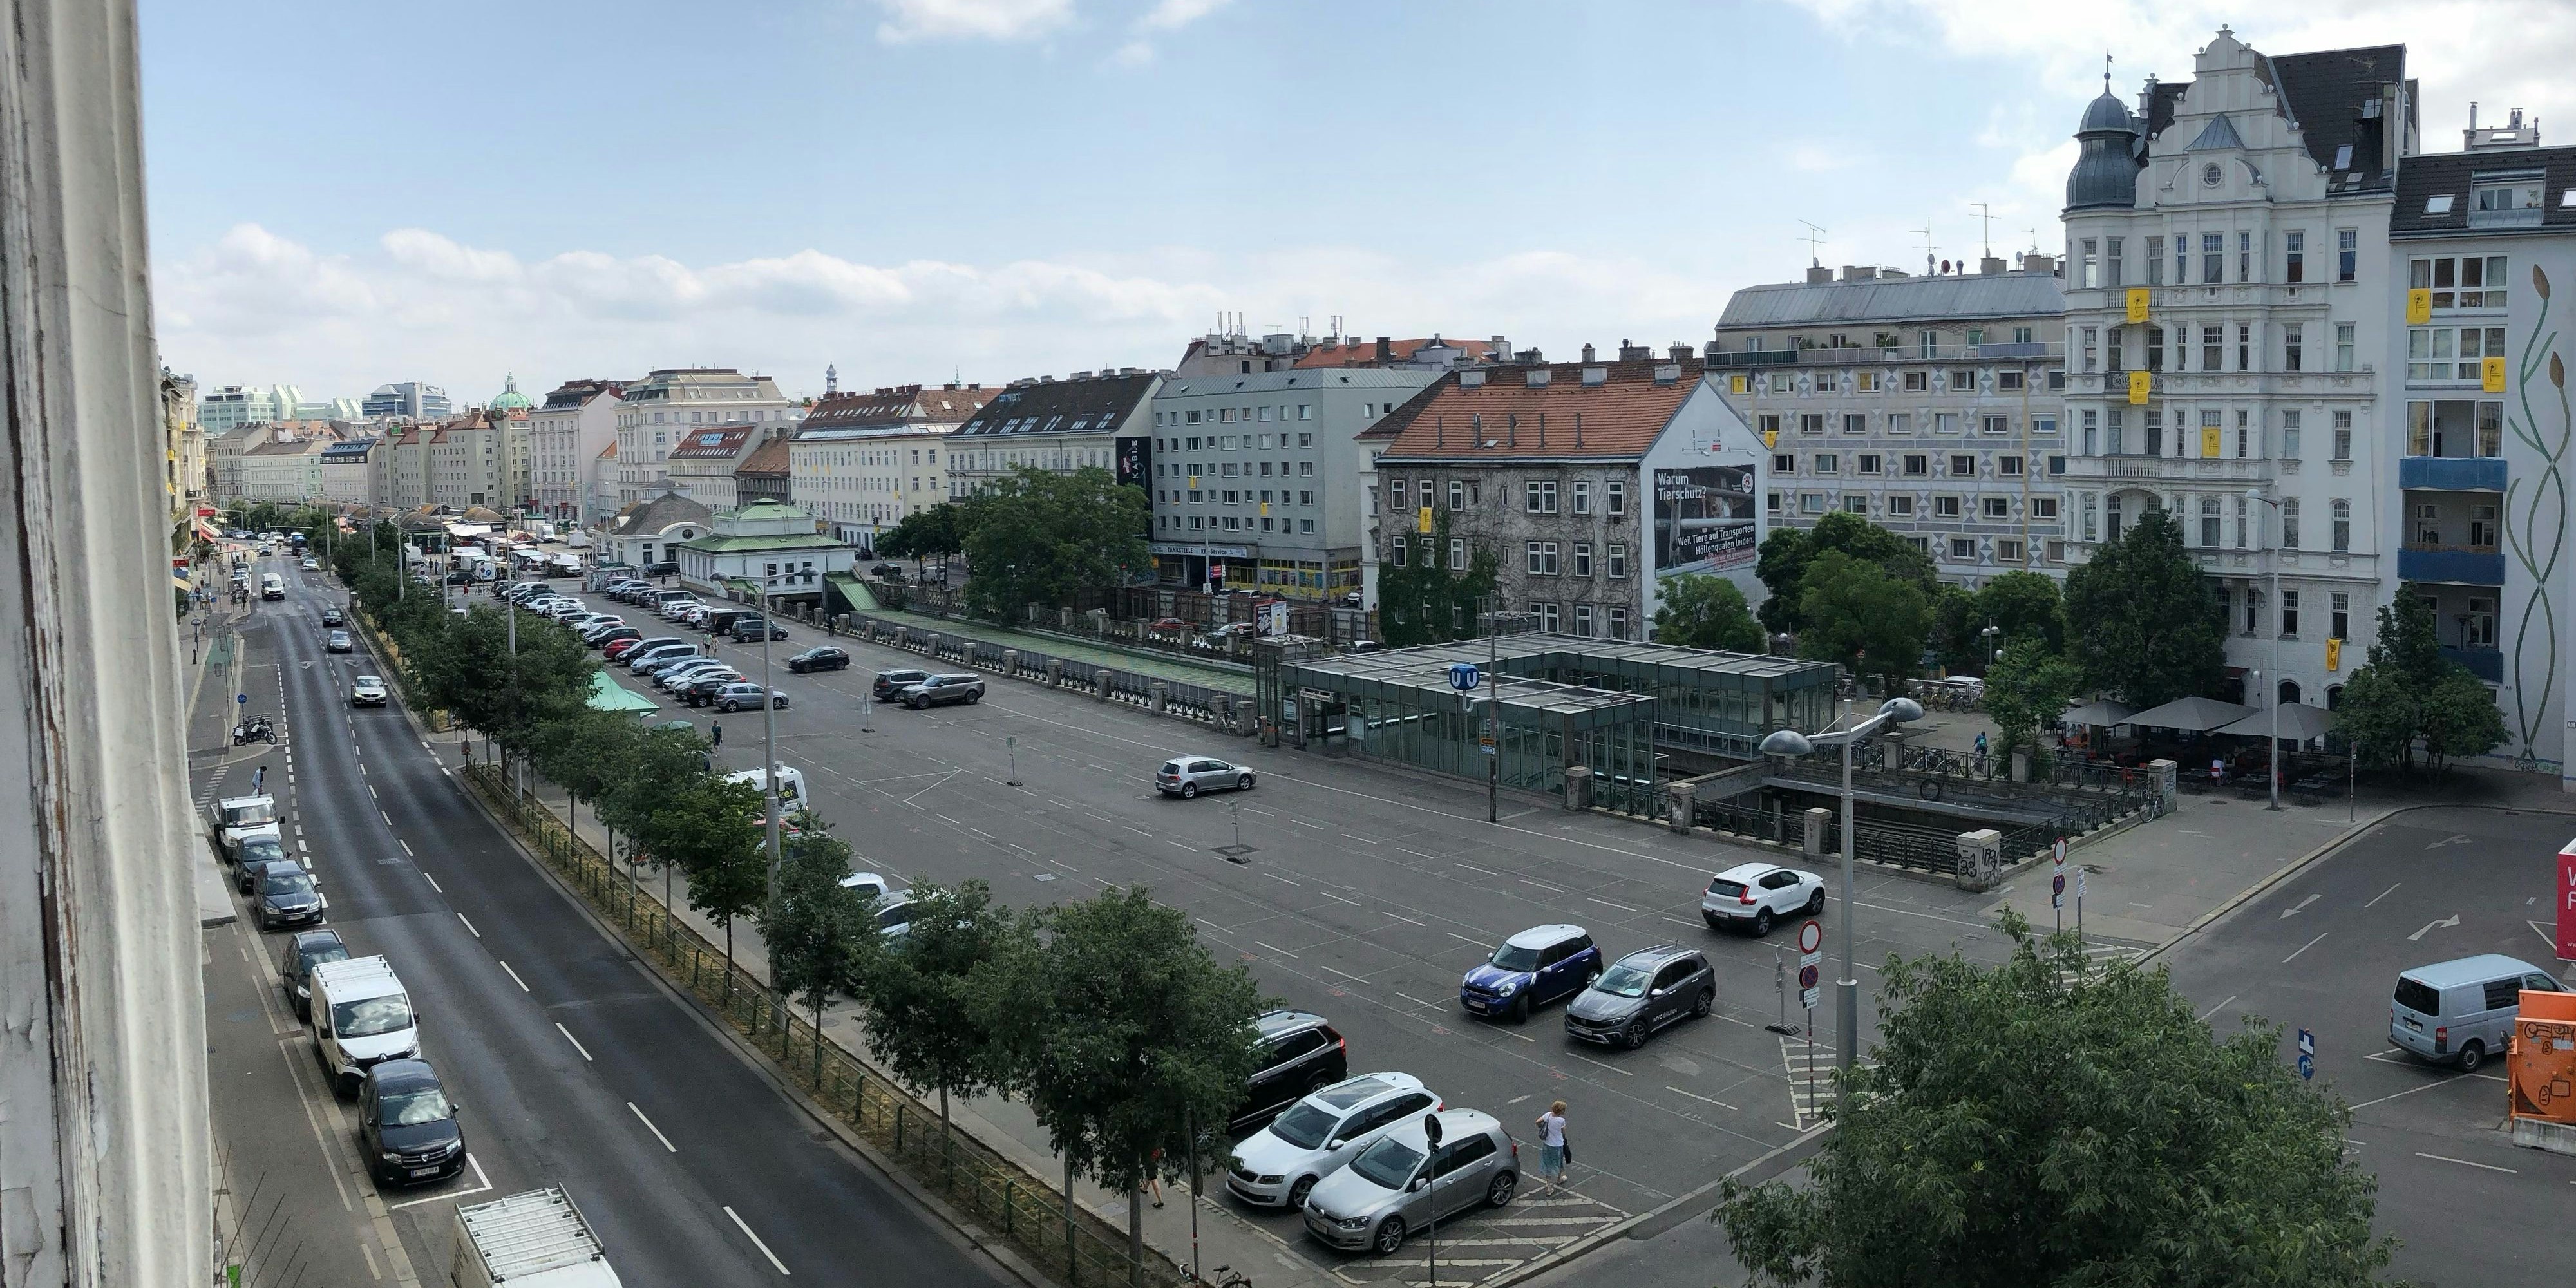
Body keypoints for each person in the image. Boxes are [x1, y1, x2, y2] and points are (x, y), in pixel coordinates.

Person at [1535, 1101, 1569, 1192]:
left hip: (1548, 1144)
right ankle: (1559, 1179)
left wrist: (1541, 1127)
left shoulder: (1548, 1115)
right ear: (1561, 1111)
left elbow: (1538, 1122)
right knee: (1559, 1162)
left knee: (1548, 1164)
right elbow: (1563, 1133)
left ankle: (1549, 1187)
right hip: (1558, 1145)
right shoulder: (1561, 1121)